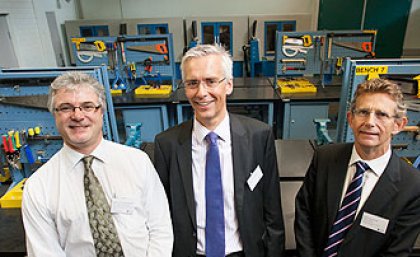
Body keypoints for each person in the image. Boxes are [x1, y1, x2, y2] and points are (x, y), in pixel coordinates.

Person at [22, 72, 173, 257]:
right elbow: (44, 253)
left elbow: (160, 227)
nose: (78, 116)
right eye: (66, 108)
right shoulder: (39, 187)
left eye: (87, 106)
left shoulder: (138, 162)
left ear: (101, 111)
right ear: (55, 115)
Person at [154, 44, 285, 257]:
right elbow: (160, 216)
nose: (201, 93)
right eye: (192, 83)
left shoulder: (258, 137)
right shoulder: (166, 145)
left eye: (211, 81)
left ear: (229, 85)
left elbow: (273, 214)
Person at [295, 78, 420, 257]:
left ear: (398, 125)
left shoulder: (412, 186)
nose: (370, 122)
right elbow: (304, 213)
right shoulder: (325, 158)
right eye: (363, 112)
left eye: (382, 115)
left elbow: (396, 251)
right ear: (350, 118)